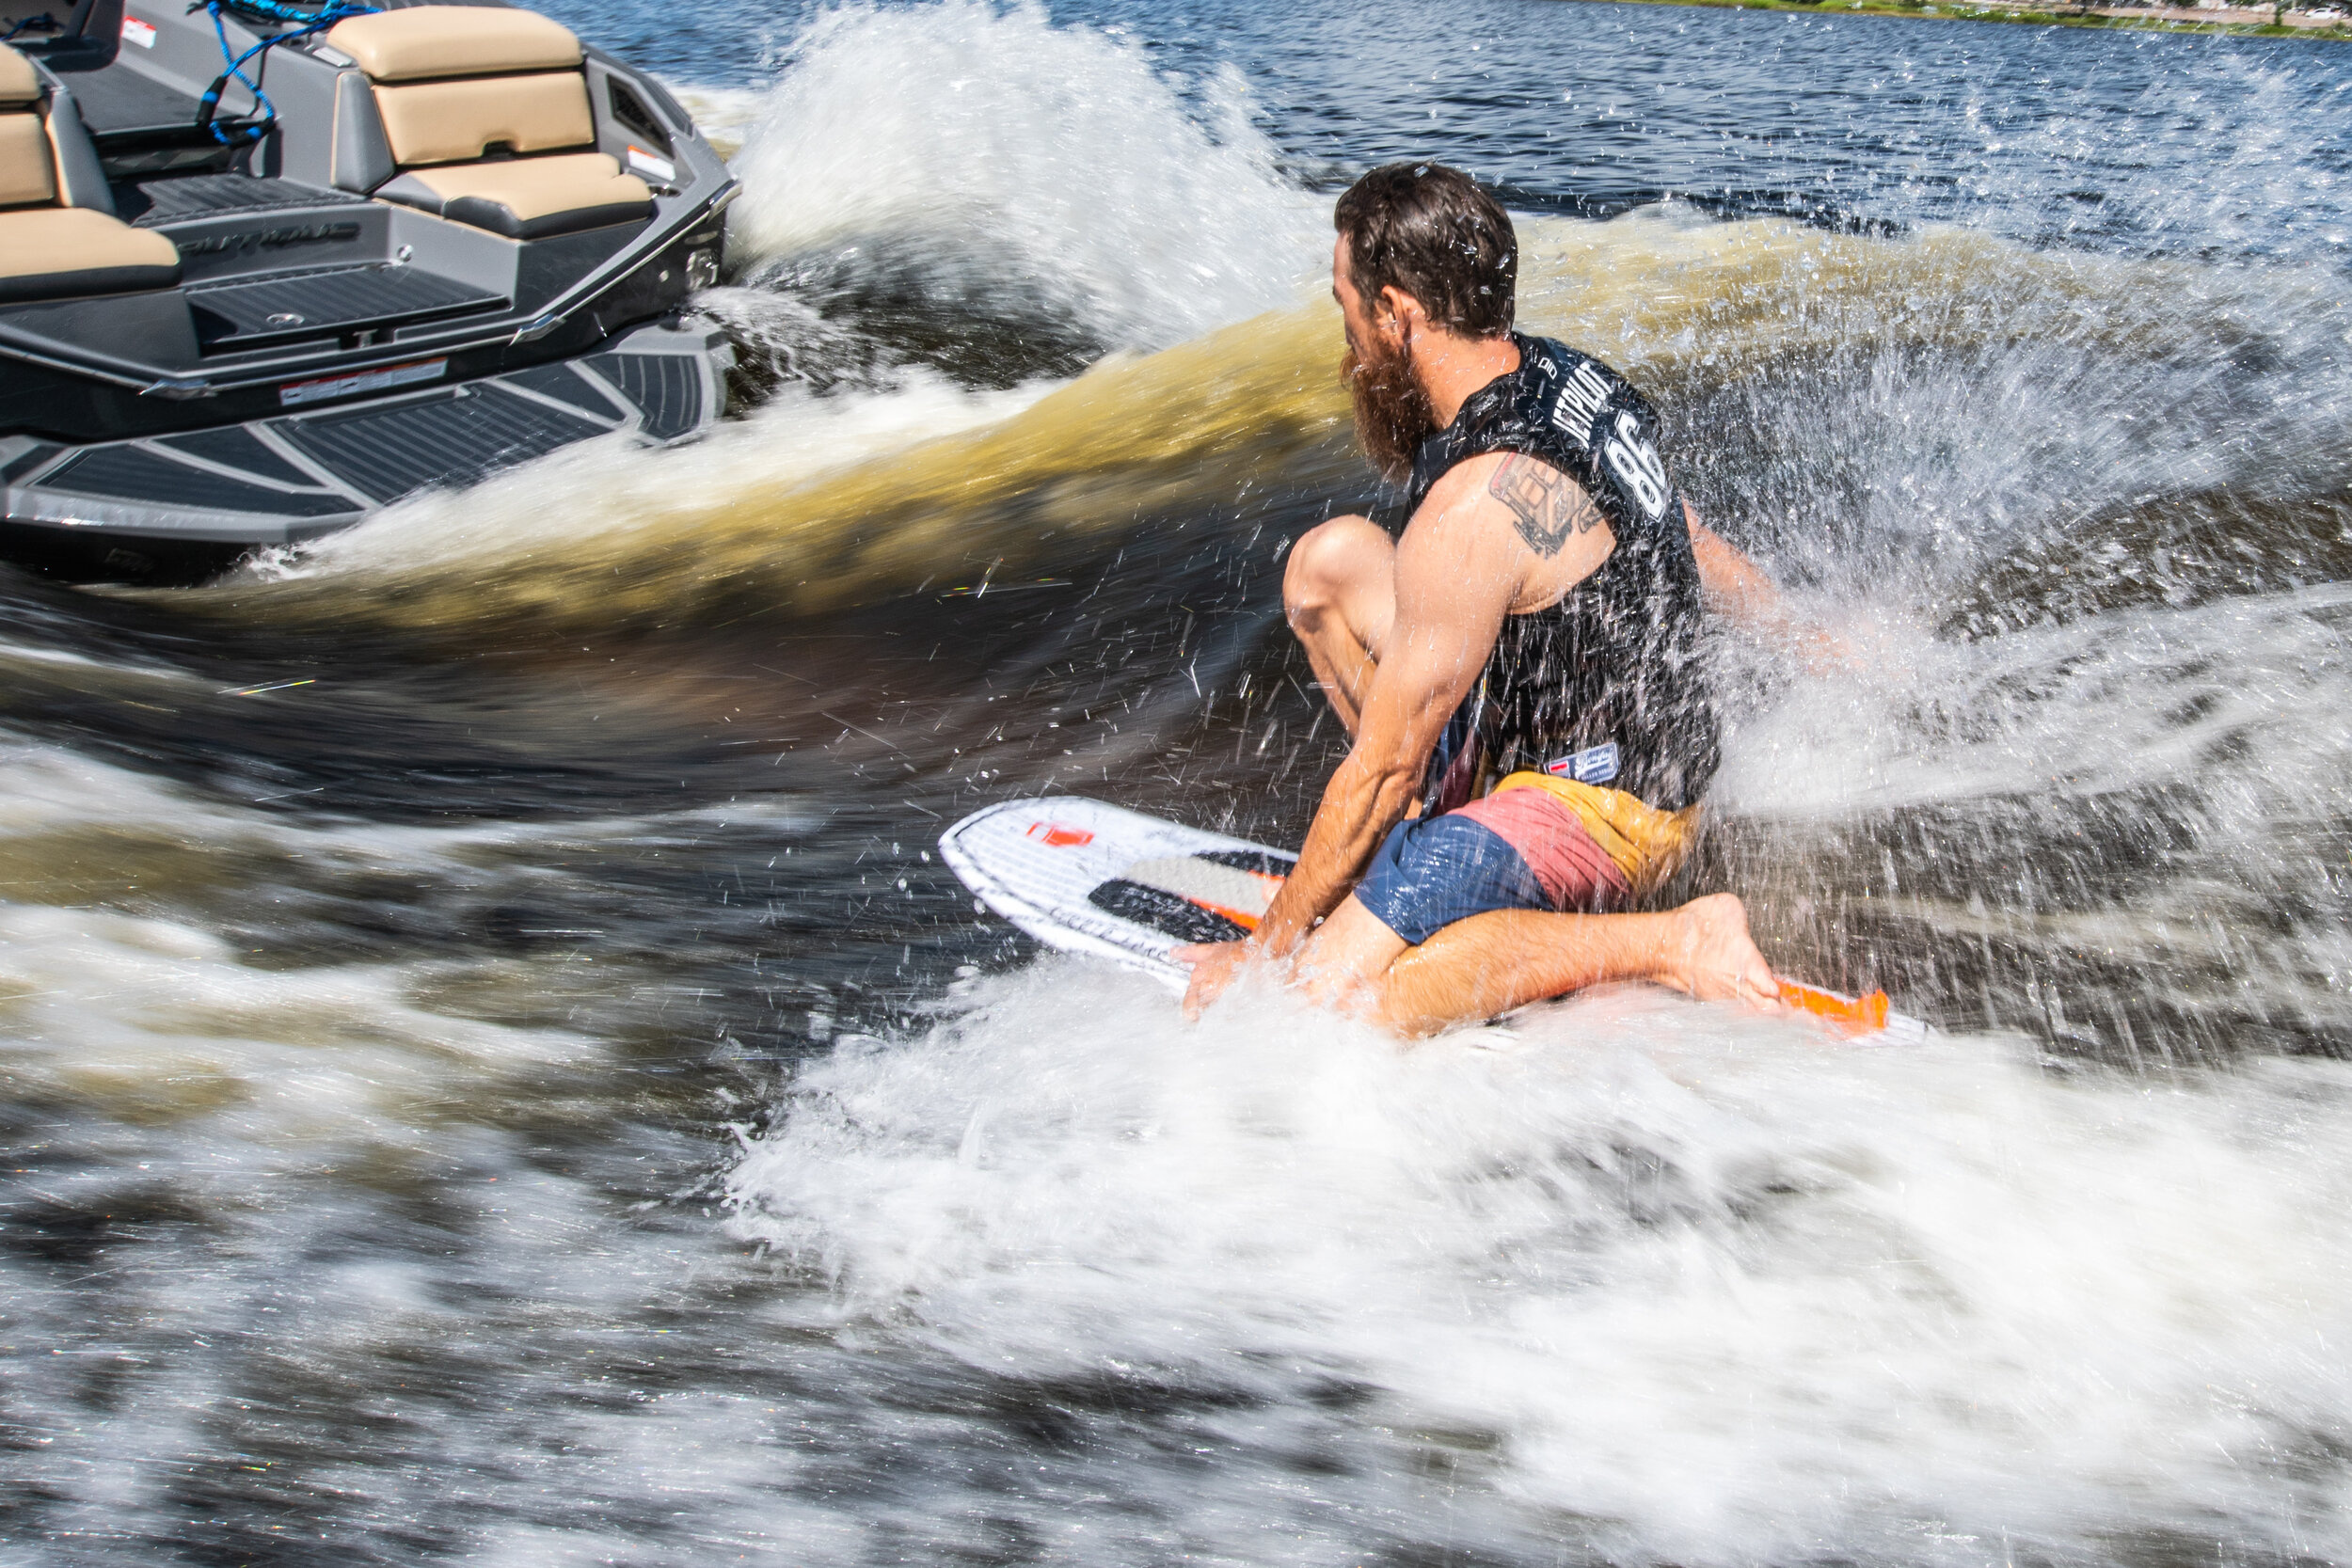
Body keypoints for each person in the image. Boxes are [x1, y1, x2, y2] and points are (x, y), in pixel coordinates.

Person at [1178, 161, 1836, 1037]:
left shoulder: (1474, 506)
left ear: (1396, 313)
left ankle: (1674, 936)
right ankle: (1445, 854)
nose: (1347, 344)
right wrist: (1811, 638)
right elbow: (1677, 524)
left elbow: (1381, 771)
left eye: (1349, 314)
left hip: (1613, 805)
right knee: (1325, 570)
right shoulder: (1558, 375)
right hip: (1591, 733)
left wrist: (1263, 958)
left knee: (1334, 1006)